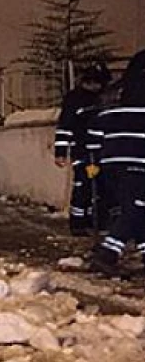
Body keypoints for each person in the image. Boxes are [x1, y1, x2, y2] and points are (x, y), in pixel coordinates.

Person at [89, 60, 145, 275]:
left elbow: (94, 136)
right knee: (136, 209)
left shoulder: (112, 105)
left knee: (136, 209)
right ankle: (107, 253)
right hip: (137, 164)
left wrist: (93, 163)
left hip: (111, 166)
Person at [54, 69, 109, 235]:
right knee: (84, 186)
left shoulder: (103, 100)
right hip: (85, 154)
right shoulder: (75, 100)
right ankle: (78, 224)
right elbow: (65, 128)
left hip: (102, 153)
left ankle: (97, 221)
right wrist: (60, 152)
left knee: (101, 187)